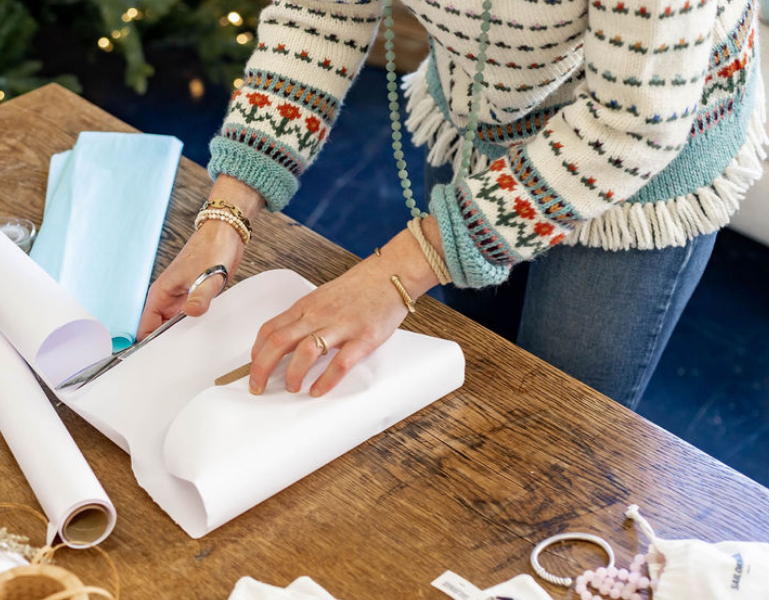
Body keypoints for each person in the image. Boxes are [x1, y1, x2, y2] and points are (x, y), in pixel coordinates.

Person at [138, 0, 766, 408]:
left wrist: (402, 267)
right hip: (482, 111)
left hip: (642, 155)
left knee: (554, 419)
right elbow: (319, 11)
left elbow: (634, 126)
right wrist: (229, 209)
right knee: (474, 366)